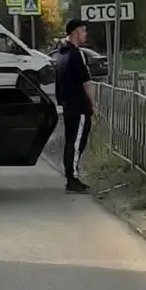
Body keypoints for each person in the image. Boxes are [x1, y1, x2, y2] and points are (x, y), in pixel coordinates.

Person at [55, 18, 94, 193]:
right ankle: (73, 179)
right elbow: (86, 82)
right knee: (77, 143)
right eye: (83, 30)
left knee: (70, 142)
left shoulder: (61, 54)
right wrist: (93, 104)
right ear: (75, 32)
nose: (85, 34)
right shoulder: (76, 54)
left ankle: (71, 176)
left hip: (68, 106)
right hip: (79, 107)